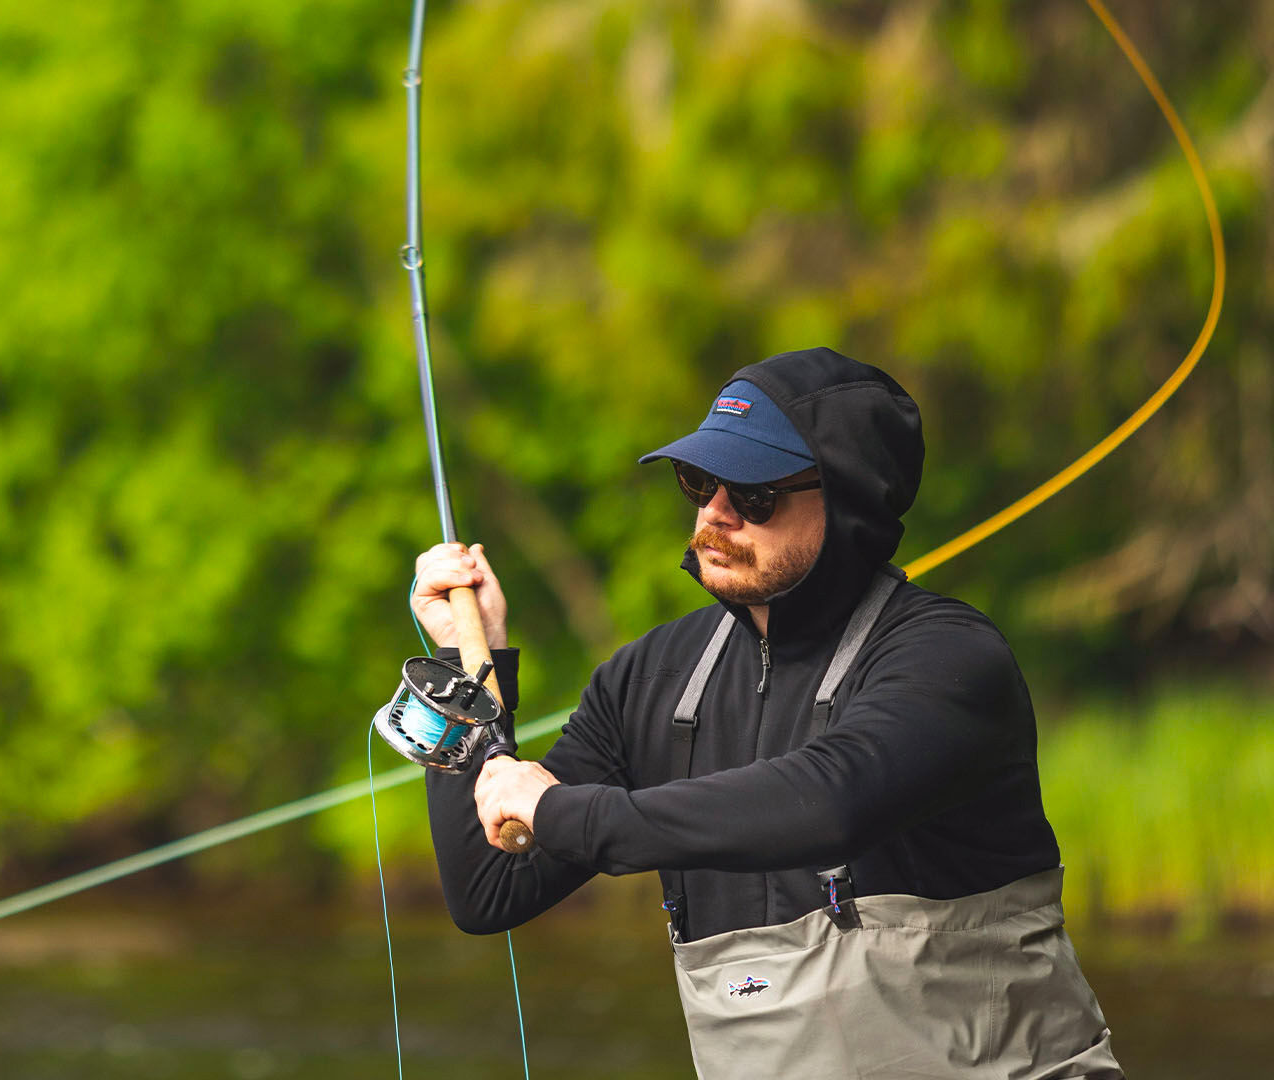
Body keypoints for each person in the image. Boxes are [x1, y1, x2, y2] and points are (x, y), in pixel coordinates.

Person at [413, 347, 1121, 1078]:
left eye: (753, 495)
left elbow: (828, 804)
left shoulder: (947, 658)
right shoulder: (645, 680)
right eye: (700, 480)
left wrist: (565, 812)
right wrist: (463, 671)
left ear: (849, 502)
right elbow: (487, 890)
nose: (716, 513)